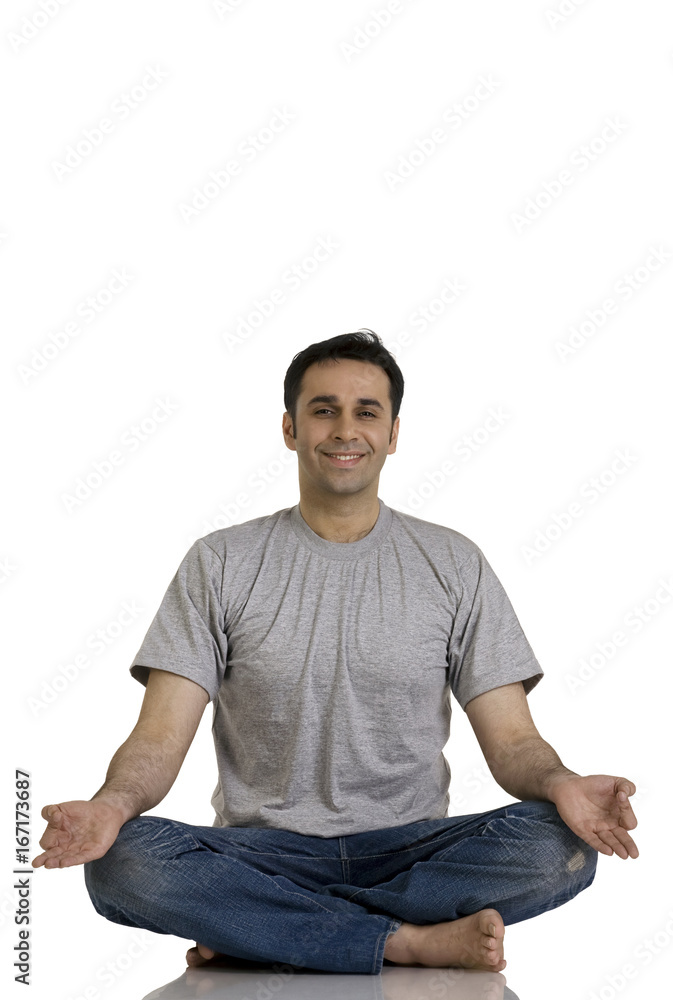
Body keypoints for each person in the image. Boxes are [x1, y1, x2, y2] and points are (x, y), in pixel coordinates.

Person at [32, 330, 639, 977]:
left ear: (393, 433)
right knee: (123, 861)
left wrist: (562, 784)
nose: (345, 429)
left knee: (558, 844)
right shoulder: (220, 563)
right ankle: (404, 940)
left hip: (411, 851)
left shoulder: (454, 563)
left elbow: (513, 741)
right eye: (324, 410)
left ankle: (265, 929)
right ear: (290, 428)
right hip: (261, 853)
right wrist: (110, 807)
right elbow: (158, 738)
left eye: (365, 412)